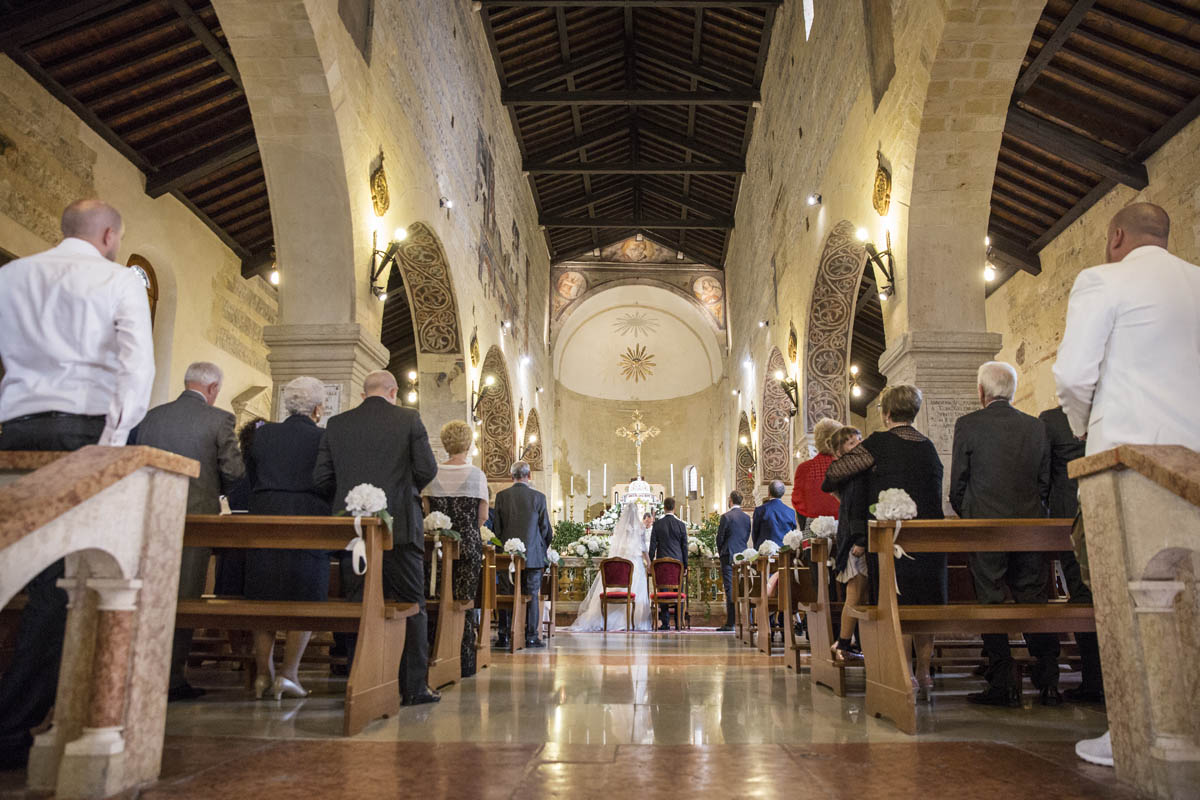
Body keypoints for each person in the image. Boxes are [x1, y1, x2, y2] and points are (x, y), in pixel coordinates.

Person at [0, 199, 153, 769]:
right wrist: (111, 447)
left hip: (12, 428)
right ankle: (15, 726)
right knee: (60, 583)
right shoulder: (119, 280)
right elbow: (136, 368)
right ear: (110, 234)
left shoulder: (11, 276)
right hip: (80, 433)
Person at [1053, 202, 1200, 767]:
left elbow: (1072, 373)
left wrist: (1091, 426)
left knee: (1121, 593)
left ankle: (1134, 731)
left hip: (1126, 460)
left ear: (1115, 235)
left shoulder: (1101, 279)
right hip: (1190, 462)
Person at [313, 370, 440, 706]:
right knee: (413, 604)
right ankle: (414, 686)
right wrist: (404, 487)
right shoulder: (409, 420)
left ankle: (362, 681)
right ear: (393, 391)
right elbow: (427, 469)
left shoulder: (337, 424)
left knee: (359, 604)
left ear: (362, 394)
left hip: (354, 531)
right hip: (399, 528)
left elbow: (322, 477)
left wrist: (347, 498)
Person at [823, 384, 946, 699]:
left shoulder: (877, 443)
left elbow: (834, 474)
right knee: (926, 605)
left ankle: (905, 673)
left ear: (887, 413)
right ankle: (924, 672)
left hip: (893, 539)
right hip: (930, 539)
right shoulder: (928, 446)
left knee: (897, 605)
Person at [132, 361, 244, 702]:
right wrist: (220, 492)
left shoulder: (152, 417)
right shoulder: (219, 419)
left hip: (148, 517)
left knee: (147, 594)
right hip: (193, 521)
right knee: (183, 597)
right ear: (212, 389)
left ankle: (140, 670)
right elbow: (234, 471)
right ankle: (171, 678)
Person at [950, 361, 1058, 707]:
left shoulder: (968, 425)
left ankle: (1002, 682)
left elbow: (958, 482)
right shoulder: (1035, 426)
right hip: (1030, 527)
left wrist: (969, 513)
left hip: (985, 529)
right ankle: (1048, 679)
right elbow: (1045, 480)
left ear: (981, 393)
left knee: (991, 601)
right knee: (1033, 600)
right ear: (1011, 391)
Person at [241, 378, 331, 700]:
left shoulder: (263, 433)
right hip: (309, 516)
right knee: (304, 593)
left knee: (263, 593)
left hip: (265, 514)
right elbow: (327, 479)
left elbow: (250, 475)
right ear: (318, 409)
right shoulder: (324, 437)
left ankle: (263, 673)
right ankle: (289, 673)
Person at [1040, 405, 1104, 703]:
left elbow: (1042, 470)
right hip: (1108, 503)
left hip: (1068, 512)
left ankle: (1093, 679)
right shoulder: (1111, 411)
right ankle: (1105, 675)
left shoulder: (1052, 419)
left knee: (1080, 591)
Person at [421, 420, 489, 676]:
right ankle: (464, 661)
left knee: (435, 598)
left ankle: (434, 657)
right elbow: (482, 516)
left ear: (445, 443)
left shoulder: (432, 474)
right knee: (464, 601)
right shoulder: (476, 475)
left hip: (436, 547)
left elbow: (427, 512)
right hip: (468, 545)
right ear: (469, 444)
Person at [493, 461, 553, 647]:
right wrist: (540, 547)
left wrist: (502, 548)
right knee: (532, 594)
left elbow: (497, 528)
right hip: (533, 557)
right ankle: (531, 636)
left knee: (506, 593)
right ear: (529, 476)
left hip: (506, 556)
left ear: (512, 477)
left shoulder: (501, 496)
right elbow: (545, 529)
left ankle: (504, 635)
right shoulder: (539, 497)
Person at [568, 502, 654, 632]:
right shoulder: (640, 529)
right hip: (635, 563)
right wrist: (649, 563)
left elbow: (616, 548)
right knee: (636, 589)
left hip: (621, 563)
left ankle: (607, 618)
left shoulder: (619, 528)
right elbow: (643, 549)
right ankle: (633, 620)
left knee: (617, 587)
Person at [823, 426, 869, 663]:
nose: (858, 444)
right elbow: (854, 508)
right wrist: (860, 538)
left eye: (859, 439)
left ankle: (853, 642)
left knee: (861, 594)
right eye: (851, 443)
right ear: (840, 452)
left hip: (857, 537)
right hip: (853, 539)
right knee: (855, 592)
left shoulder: (856, 470)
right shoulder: (848, 473)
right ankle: (843, 642)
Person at [791, 417, 842, 530]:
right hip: (843, 527)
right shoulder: (847, 466)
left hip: (813, 529)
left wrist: (806, 529)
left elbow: (799, 503)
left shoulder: (804, 469)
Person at [648, 497, 689, 630]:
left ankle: (665, 622)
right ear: (674, 508)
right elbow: (684, 547)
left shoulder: (657, 524)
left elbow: (653, 546)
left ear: (664, 508)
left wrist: (650, 564)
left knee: (663, 590)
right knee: (679, 592)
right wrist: (686, 565)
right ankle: (678, 622)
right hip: (678, 564)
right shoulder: (681, 525)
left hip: (661, 564)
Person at [715, 491, 751, 631]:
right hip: (743, 555)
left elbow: (720, 538)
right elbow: (747, 535)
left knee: (730, 588)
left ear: (730, 500)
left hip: (728, 555)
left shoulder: (726, 517)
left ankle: (731, 622)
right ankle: (746, 620)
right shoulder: (747, 518)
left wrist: (721, 550)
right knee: (744, 587)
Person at [751, 479, 798, 548]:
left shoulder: (760, 510)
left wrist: (757, 547)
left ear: (769, 492)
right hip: (784, 552)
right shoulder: (791, 512)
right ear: (783, 493)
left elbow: (755, 533)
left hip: (764, 552)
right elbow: (793, 534)